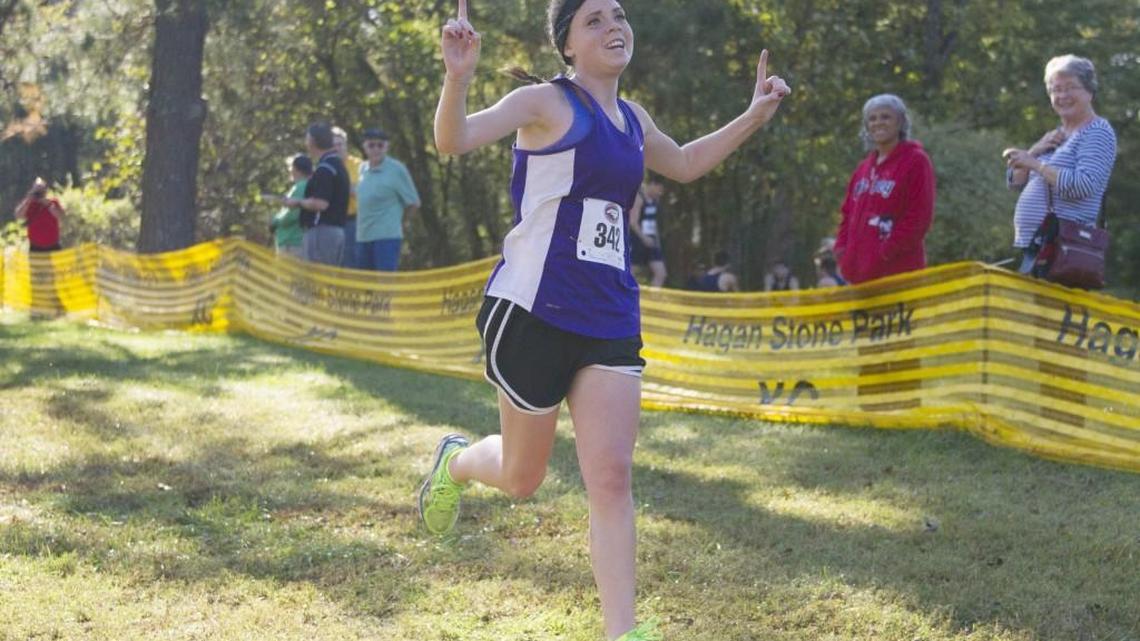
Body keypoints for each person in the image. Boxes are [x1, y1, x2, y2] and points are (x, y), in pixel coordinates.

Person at [421, 1, 789, 639]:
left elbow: (685, 163)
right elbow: (452, 140)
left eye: (618, 14)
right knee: (521, 477)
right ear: (566, 45)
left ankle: (625, 633)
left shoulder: (633, 118)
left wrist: (753, 116)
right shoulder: (544, 102)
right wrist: (458, 76)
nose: (613, 25)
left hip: (609, 312)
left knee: (612, 476)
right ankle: (456, 461)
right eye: (593, 20)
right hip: (535, 308)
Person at [1002, 55, 1117, 267]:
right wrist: (1034, 151)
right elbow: (1015, 182)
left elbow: (1083, 186)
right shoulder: (1056, 135)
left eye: (1070, 87)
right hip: (1036, 247)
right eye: (1056, 89)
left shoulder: (1097, 132)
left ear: (1089, 91)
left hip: (1066, 249)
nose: (1062, 95)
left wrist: (1035, 164)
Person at [833, 94, 935, 285]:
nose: (878, 123)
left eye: (885, 117)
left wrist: (884, 252)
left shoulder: (915, 161)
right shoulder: (862, 170)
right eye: (872, 118)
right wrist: (841, 251)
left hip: (898, 274)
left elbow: (919, 218)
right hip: (858, 277)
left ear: (900, 122)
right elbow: (847, 214)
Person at [354, 127, 421, 271]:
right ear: (364, 146)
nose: (376, 149)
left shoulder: (396, 169)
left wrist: (400, 222)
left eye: (380, 145)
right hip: (363, 237)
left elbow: (414, 203)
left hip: (387, 237)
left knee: (384, 285)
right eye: (371, 145)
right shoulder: (361, 169)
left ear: (386, 146)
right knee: (365, 286)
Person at [283, 122, 350, 266]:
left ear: (313, 142)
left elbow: (321, 203)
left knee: (316, 281)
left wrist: (297, 202)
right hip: (336, 231)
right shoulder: (338, 165)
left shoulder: (325, 168)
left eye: (307, 139)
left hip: (322, 232)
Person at [332, 127, 365, 268]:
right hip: (333, 222)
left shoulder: (358, 165)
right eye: (333, 145)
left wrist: (340, 187)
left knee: (352, 260)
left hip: (353, 220)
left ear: (346, 145)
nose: (337, 148)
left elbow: (359, 191)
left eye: (340, 144)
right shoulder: (328, 165)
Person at [269, 154, 311, 259]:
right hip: (290, 240)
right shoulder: (299, 186)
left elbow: (294, 213)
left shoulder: (301, 187)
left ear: (296, 169)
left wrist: (275, 221)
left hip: (292, 241)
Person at [628, 176, 667, 286]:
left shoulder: (655, 200)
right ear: (652, 184)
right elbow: (633, 222)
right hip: (638, 239)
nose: (660, 193)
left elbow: (654, 222)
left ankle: (653, 300)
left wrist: (656, 241)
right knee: (631, 272)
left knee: (661, 273)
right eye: (659, 189)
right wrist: (644, 238)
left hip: (652, 240)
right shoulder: (639, 198)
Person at [14, 177, 65, 253]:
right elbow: (18, 215)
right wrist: (27, 200)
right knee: (36, 265)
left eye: (41, 190)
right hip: (35, 247)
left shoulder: (53, 202)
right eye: (37, 191)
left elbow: (61, 215)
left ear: (45, 191)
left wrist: (48, 204)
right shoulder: (29, 204)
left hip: (53, 245)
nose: (39, 194)